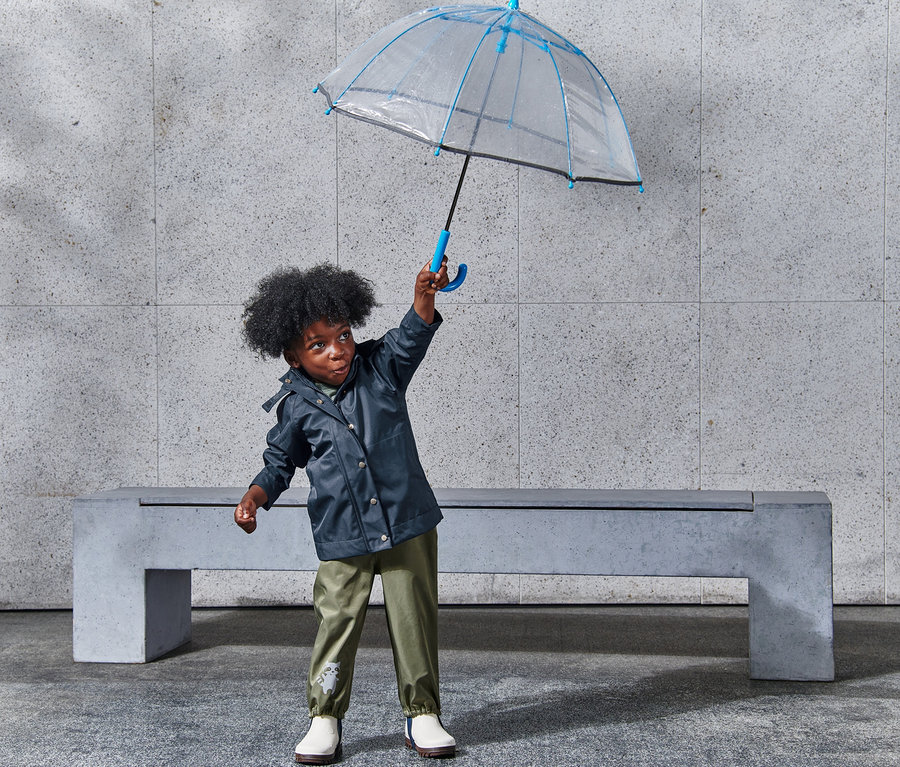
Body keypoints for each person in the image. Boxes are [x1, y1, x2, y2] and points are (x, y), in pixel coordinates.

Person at [234, 259, 456, 764]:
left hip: (406, 522)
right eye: (318, 345)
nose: (337, 350)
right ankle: (324, 717)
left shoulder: (382, 367)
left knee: (414, 618)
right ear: (292, 356)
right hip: (343, 533)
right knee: (336, 620)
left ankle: (423, 713)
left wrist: (424, 294)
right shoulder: (295, 407)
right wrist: (255, 496)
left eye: (343, 335)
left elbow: (411, 334)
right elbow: (279, 463)